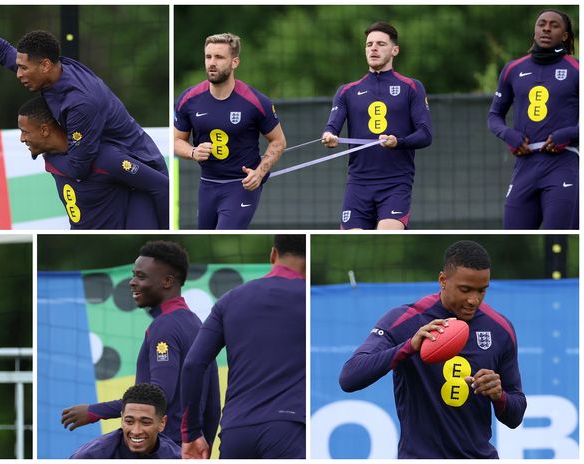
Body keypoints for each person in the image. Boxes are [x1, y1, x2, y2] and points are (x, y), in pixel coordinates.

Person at [0, 10, 168, 199]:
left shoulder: (80, 103)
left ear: (45, 65)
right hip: (115, 170)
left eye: (23, 68)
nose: (18, 74)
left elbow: (79, 166)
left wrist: (46, 153)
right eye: (19, 67)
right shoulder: (49, 73)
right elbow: (3, 52)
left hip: (140, 171)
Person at [338, 240, 526, 458]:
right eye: (465, 290)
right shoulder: (405, 321)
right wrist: (409, 346)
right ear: (442, 280)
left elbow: (516, 415)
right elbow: (349, 377)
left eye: (482, 291)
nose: (474, 300)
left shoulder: (501, 329)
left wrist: (498, 395)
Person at [61, 241, 220, 448]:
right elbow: (213, 403)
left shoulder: (165, 327)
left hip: (164, 448)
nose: (132, 282)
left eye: (141, 276)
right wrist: (200, 447)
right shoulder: (195, 323)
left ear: (167, 281)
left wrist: (94, 411)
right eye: (133, 274)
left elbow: (156, 396)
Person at [181, 235, 306, 459]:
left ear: (273, 254)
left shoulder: (230, 300)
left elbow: (192, 365)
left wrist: (190, 433)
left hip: (235, 432)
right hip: (287, 428)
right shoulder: (308, 297)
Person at [322, 22, 432, 230]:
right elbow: (332, 128)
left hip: (396, 183)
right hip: (358, 184)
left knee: (386, 233)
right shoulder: (347, 91)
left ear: (394, 50)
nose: (373, 48)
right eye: (369, 44)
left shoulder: (411, 87)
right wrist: (329, 136)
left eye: (381, 44)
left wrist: (397, 142)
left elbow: (425, 135)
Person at [173, 32, 287, 229]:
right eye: (208, 57)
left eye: (219, 57)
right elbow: (176, 141)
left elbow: (278, 141)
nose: (212, 63)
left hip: (241, 185)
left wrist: (259, 173)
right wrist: (193, 152)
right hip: (207, 185)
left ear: (235, 62)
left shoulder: (257, 102)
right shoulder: (188, 99)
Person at [18, 94, 169, 229]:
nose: (21, 139)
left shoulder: (106, 158)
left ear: (44, 130)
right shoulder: (51, 160)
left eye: (25, 131)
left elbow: (162, 186)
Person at [488, 9, 578, 229]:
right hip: (524, 166)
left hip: (563, 164)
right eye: (541, 24)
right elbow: (494, 116)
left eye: (554, 25)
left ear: (565, 36)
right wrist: (509, 135)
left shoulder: (577, 69)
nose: (546, 28)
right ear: (535, 30)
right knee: (512, 232)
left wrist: (567, 134)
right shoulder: (513, 69)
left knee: (556, 236)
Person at [69, 384, 181, 459]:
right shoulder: (90, 456)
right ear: (122, 419)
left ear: (162, 423)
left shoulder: (178, 457)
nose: (136, 431)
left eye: (146, 422)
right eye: (129, 421)